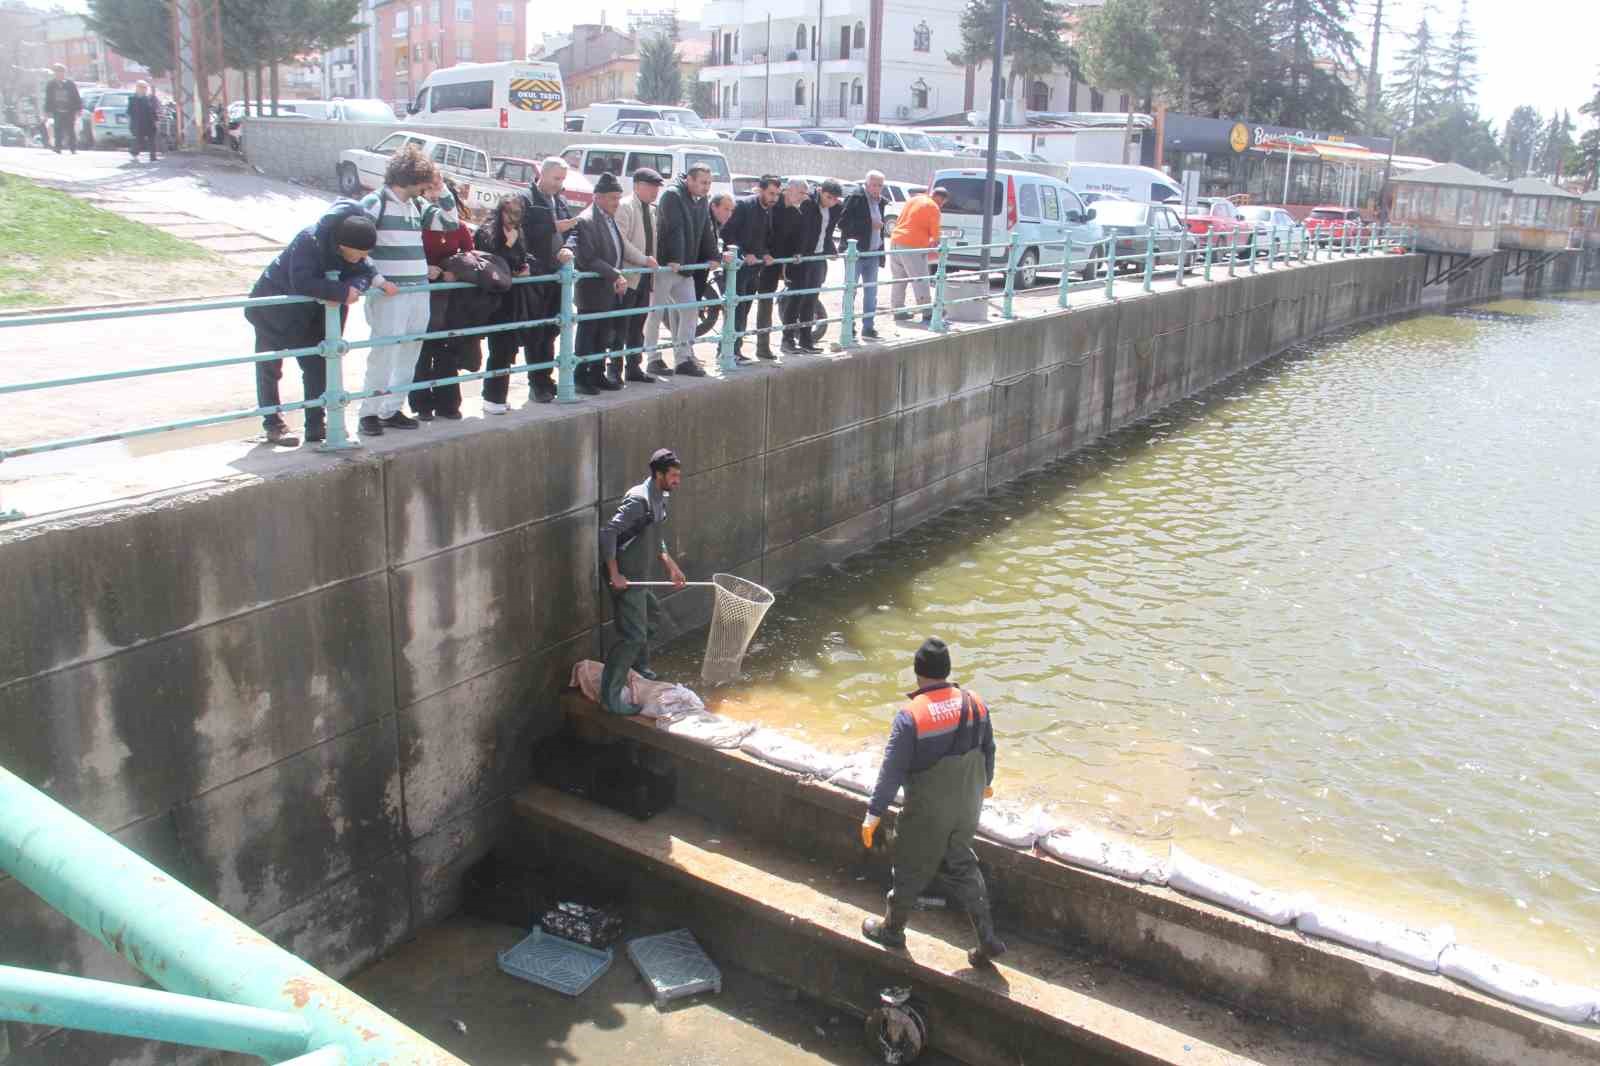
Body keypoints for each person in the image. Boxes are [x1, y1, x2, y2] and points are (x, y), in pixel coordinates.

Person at [860, 638, 1007, 969]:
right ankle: (987, 938)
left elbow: (891, 773)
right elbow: (990, 751)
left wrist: (874, 814)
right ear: (947, 670)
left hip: (928, 811)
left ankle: (892, 931)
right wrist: (986, 785)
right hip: (969, 804)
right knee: (962, 863)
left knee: (910, 866)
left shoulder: (911, 716)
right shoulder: (976, 704)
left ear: (917, 673)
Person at [245, 205, 391, 446]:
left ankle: (316, 425)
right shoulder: (309, 240)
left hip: (313, 318)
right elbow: (301, 281)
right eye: (357, 253)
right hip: (273, 311)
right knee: (270, 368)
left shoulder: (355, 249)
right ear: (342, 245)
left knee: (317, 369)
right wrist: (342, 290)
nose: (360, 258)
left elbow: (363, 271)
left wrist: (354, 286)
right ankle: (273, 424)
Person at [355, 145, 459, 436]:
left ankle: (391, 408)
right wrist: (377, 281)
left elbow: (450, 223)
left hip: (417, 290)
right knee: (384, 353)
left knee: (410, 351)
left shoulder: (417, 205)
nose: (427, 186)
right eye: (425, 180)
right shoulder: (376, 202)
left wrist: (443, 193)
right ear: (409, 177)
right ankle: (369, 413)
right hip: (391, 292)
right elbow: (357, 246)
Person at [598, 448, 688, 716]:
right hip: (626, 577)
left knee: (653, 617)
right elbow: (608, 533)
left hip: (642, 576)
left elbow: (655, 534)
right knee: (632, 636)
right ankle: (610, 697)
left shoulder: (662, 498)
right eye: (673, 475)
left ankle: (638, 668)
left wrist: (671, 566)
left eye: (678, 476)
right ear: (658, 474)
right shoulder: (639, 500)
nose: (677, 480)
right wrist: (614, 574)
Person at [510, 157, 579, 405]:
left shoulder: (559, 200)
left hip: (556, 275)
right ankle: (536, 383)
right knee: (535, 332)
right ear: (543, 174)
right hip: (536, 274)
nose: (559, 184)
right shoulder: (525, 199)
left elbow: (572, 231)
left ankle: (546, 379)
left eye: (562, 179)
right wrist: (553, 227)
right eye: (555, 178)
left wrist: (569, 248)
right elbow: (520, 233)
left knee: (551, 330)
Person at [409, 178, 474, 421]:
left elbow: (471, 257)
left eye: (440, 197)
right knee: (422, 350)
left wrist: (454, 271)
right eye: (430, 197)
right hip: (422, 290)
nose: (435, 202)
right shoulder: (418, 222)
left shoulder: (459, 227)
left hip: (449, 297)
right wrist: (426, 268)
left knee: (447, 350)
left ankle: (449, 404)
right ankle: (422, 404)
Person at [650, 162, 720, 377]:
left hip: (685, 266)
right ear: (689, 180)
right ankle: (652, 358)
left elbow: (706, 229)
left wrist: (713, 255)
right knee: (656, 312)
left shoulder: (702, 200)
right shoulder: (673, 195)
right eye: (702, 182)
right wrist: (674, 257)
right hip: (666, 265)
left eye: (709, 183)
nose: (706, 187)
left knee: (690, 310)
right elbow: (673, 227)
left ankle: (683, 358)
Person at [568, 172, 631, 395]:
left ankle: (597, 374)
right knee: (588, 335)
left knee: (603, 335)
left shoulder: (608, 216)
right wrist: (615, 274)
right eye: (613, 198)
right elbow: (588, 257)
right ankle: (581, 378)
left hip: (608, 289)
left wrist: (615, 275)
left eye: (618, 197)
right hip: (592, 290)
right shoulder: (587, 220)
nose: (617, 203)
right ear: (598, 197)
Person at [475, 194, 537, 413]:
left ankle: (498, 396)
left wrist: (527, 266)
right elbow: (489, 262)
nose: (513, 218)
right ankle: (493, 397)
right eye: (509, 213)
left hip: (514, 299)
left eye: (518, 214)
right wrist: (508, 246)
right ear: (500, 211)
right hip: (495, 300)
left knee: (508, 349)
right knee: (499, 348)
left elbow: (524, 256)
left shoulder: (518, 232)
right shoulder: (487, 231)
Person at [719, 175, 783, 361]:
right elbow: (727, 233)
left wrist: (764, 254)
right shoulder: (744, 206)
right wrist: (744, 253)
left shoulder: (768, 210)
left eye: (777, 195)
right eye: (771, 193)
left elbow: (762, 238)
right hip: (737, 267)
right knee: (735, 310)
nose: (774, 198)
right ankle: (727, 350)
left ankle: (735, 349)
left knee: (745, 309)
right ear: (761, 190)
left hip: (754, 269)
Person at [778, 178, 844, 356]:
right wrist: (796, 253)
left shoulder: (836, 208)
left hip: (819, 258)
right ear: (821, 191)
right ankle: (788, 340)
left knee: (811, 300)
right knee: (795, 299)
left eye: (835, 199)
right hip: (801, 258)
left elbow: (827, 233)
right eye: (829, 197)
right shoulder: (807, 204)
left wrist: (832, 250)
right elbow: (798, 232)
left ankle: (807, 340)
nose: (831, 202)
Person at [612, 167, 665, 384]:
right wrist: (644, 260)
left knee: (637, 324)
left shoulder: (650, 210)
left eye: (657, 187)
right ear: (637, 185)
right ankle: (614, 369)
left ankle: (634, 366)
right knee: (621, 325)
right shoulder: (625, 207)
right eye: (650, 186)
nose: (655, 191)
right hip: (629, 274)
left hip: (644, 277)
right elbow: (621, 242)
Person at [836, 170, 890, 340]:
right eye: (874, 185)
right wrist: (869, 223)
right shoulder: (856, 197)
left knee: (871, 292)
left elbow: (878, 227)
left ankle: (868, 328)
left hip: (873, 252)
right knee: (850, 291)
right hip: (856, 253)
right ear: (866, 184)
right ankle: (848, 327)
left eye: (880, 185)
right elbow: (842, 223)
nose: (877, 188)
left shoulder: (880, 201)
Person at [890, 186, 950, 326]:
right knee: (921, 279)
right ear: (940, 199)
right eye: (942, 203)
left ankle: (898, 310)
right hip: (912, 245)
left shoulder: (914, 199)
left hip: (895, 241)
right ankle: (927, 312)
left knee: (899, 279)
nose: (941, 205)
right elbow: (936, 236)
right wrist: (936, 249)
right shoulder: (933, 207)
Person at [43, 64, 81, 155]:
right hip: (57, 110)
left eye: (61, 72)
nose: (59, 74)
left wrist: (78, 109)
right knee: (57, 129)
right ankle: (58, 147)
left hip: (69, 110)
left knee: (70, 129)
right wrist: (47, 111)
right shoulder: (51, 84)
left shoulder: (70, 84)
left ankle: (73, 148)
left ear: (64, 73)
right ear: (55, 74)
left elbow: (76, 96)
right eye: (57, 72)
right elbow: (48, 98)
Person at [127, 81, 158, 163]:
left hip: (149, 122)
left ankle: (153, 157)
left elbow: (153, 111)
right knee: (138, 140)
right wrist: (132, 123)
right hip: (138, 123)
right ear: (137, 88)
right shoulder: (132, 99)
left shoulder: (149, 99)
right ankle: (134, 154)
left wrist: (156, 120)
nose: (144, 89)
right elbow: (129, 112)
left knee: (152, 140)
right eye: (141, 87)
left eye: (145, 88)